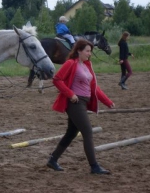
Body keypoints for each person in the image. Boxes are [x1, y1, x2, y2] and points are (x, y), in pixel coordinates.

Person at [46, 39, 115, 175]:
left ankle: (53, 160)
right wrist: (70, 94)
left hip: (83, 102)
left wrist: (107, 101)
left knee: (71, 133)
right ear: (79, 50)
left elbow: (94, 88)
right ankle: (94, 166)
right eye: (87, 51)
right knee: (88, 132)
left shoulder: (86, 65)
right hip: (75, 103)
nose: (89, 54)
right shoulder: (71, 63)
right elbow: (57, 80)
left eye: (90, 51)